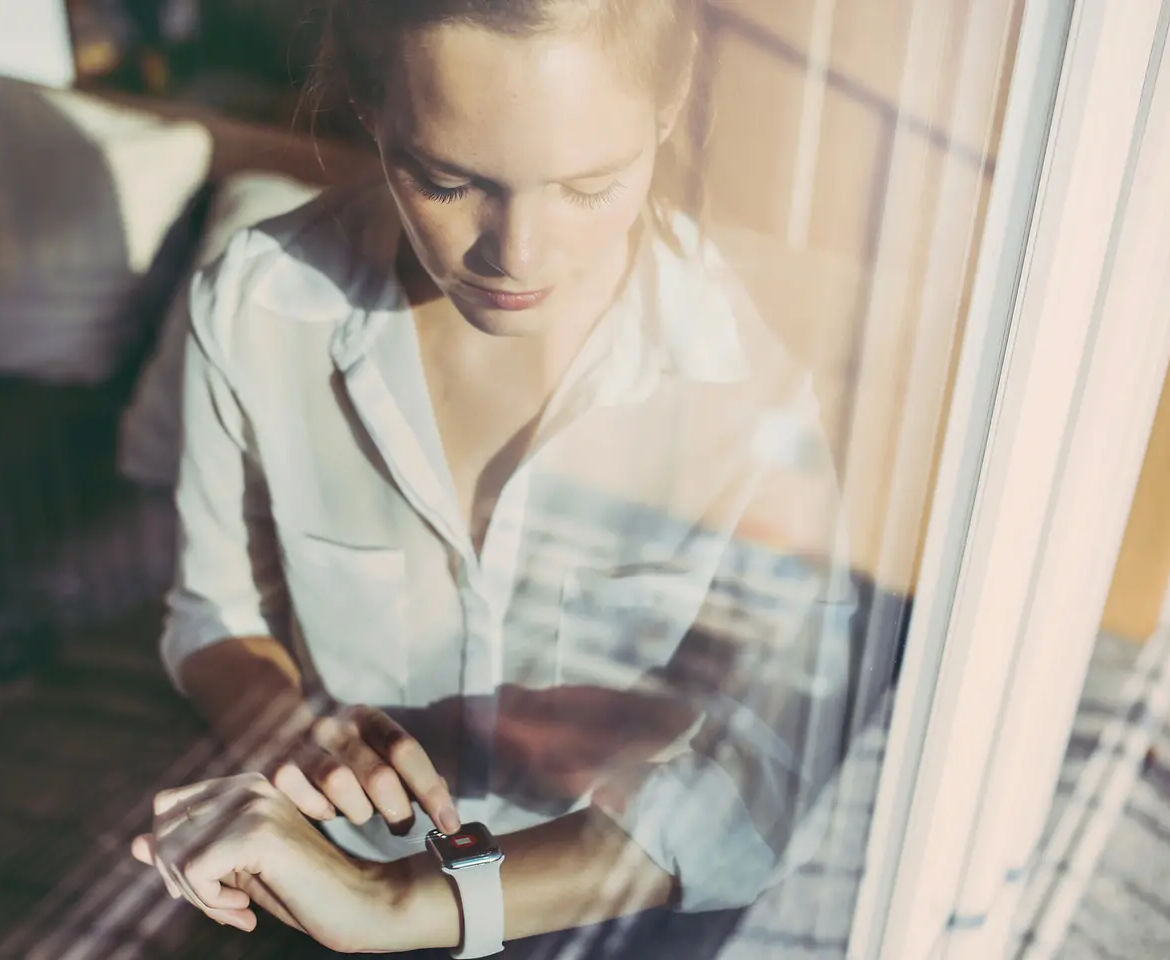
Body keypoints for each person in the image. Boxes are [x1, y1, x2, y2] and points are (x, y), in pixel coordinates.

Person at [130, 0, 857, 954]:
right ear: (368, 103)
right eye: (445, 180)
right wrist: (291, 732)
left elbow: (777, 764)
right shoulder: (259, 306)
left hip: (608, 910)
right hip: (319, 882)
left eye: (590, 186)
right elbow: (216, 615)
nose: (517, 254)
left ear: (669, 107)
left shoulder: (757, 374)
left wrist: (406, 906)